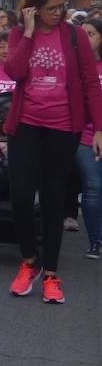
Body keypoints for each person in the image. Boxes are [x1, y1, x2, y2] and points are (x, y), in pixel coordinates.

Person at [4, 0, 102, 303]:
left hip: (64, 127)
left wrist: (98, 128)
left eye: (60, 7)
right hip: (26, 125)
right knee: (20, 196)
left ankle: (51, 274)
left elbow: (90, 83)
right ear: (34, 8)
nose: (58, 13)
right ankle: (29, 260)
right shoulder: (21, 34)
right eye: (51, 8)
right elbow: (15, 72)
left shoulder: (74, 36)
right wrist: (30, 32)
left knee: (52, 200)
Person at [73, 17, 102, 260]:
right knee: (93, 186)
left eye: (91, 34)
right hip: (84, 135)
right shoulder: (75, 66)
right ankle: (96, 241)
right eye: (82, 34)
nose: (85, 39)